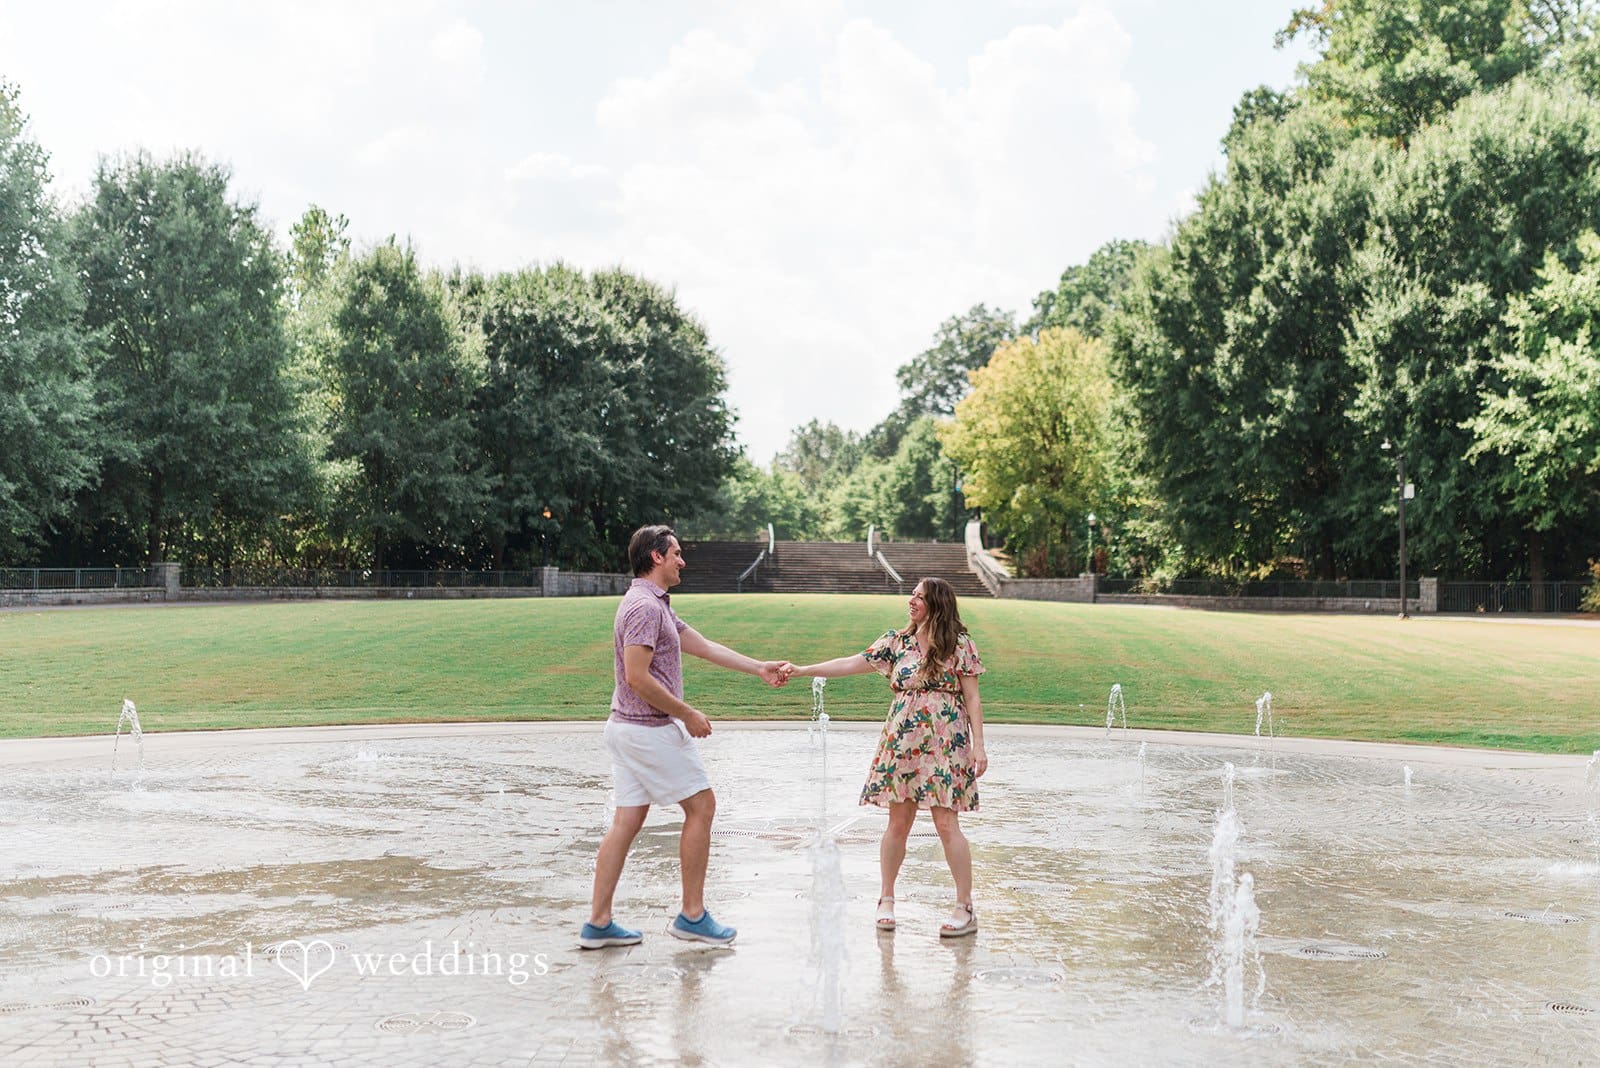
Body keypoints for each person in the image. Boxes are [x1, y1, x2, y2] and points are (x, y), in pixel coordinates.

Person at [580, 524, 793, 950]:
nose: (682, 560)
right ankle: (692, 916)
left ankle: (597, 924)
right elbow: (638, 678)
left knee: (627, 821)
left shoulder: (654, 603)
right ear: (656, 557)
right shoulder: (642, 607)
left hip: (626, 729)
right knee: (702, 806)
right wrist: (687, 713)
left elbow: (704, 645)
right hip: (646, 731)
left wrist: (758, 667)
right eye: (676, 553)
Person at [790, 577, 987, 937]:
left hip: (945, 741)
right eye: (911, 595)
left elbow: (972, 697)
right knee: (898, 823)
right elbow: (851, 663)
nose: (911, 602)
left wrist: (979, 745)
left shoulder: (959, 645)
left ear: (937, 604)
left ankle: (964, 906)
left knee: (946, 825)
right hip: (903, 741)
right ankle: (886, 900)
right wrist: (804, 670)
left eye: (919, 597)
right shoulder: (897, 642)